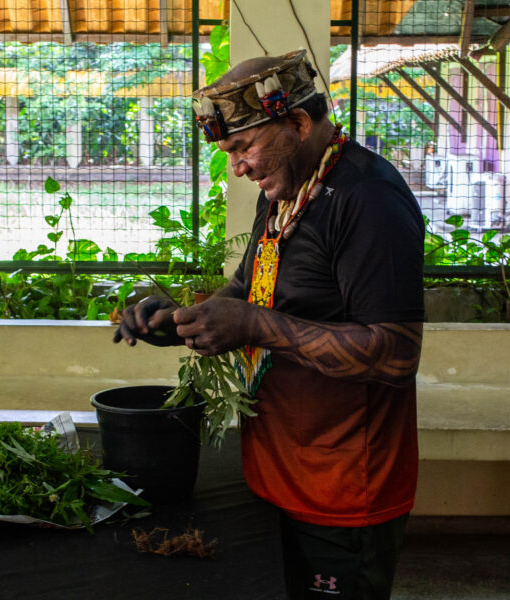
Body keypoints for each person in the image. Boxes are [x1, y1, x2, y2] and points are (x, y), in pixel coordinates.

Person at [114, 49, 425, 600]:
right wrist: (178, 320)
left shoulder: (368, 199)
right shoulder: (286, 190)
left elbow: (396, 354)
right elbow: (247, 290)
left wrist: (256, 326)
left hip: (344, 487)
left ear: (299, 123)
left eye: (243, 148)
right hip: (279, 472)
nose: (237, 167)